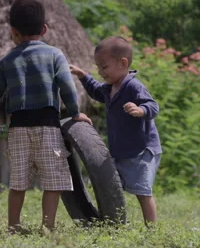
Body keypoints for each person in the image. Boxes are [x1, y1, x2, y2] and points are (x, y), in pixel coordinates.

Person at [0, 0, 92, 233]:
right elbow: (67, 86)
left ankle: (14, 226)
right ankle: (47, 226)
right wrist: (76, 112)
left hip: (18, 129)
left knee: (18, 183)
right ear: (44, 29)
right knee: (53, 182)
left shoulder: (7, 61)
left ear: (13, 32)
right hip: (48, 127)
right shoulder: (55, 55)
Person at [69, 36, 162, 226]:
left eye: (104, 67)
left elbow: (153, 106)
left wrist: (140, 110)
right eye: (98, 68)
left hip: (141, 150)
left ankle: (153, 231)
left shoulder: (133, 86)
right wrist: (83, 76)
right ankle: (111, 219)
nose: (100, 72)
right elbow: (96, 90)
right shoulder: (110, 87)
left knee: (143, 192)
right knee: (111, 186)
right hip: (121, 151)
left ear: (123, 63)